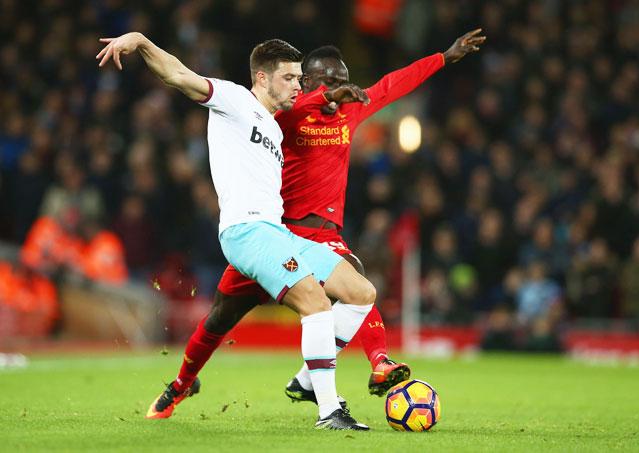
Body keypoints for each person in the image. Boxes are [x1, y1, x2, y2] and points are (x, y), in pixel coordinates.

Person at [163, 27, 487, 416]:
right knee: (220, 316)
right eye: (327, 81)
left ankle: (376, 362)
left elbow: (392, 84)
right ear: (306, 83)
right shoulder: (285, 115)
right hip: (276, 231)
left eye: (344, 81)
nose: (340, 88)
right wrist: (328, 96)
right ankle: (181, 383)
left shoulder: (351, 110)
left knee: (354, 276)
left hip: (319, 233)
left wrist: (444, 57)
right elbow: (290, 105)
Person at [97, 32, 375, 430]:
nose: (299, 85)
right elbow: (176, 74)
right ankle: (329, 411)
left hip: (275, 233)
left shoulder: (275, 128)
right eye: (291, 78)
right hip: (246, 233)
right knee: (314, 301)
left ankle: (305, 379)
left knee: (361, 292)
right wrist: (141, 42)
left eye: (300, 78)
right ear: (262, 78)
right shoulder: (233, 100)